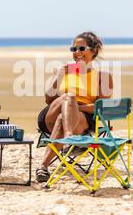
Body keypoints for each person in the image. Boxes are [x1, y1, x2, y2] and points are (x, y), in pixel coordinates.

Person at [36, 31, 113, 183]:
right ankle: (70, 139)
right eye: (74, 49)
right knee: (68, 97)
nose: (77, 52)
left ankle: (43, 167)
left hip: (81, 119)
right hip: (51, 114)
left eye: (81, 49)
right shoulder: (63, 71)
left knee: (63, 118)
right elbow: (48, 99)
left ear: (93, 51)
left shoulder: (103, 77)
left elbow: (100, 107)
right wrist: (59, 76)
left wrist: (74, 108)